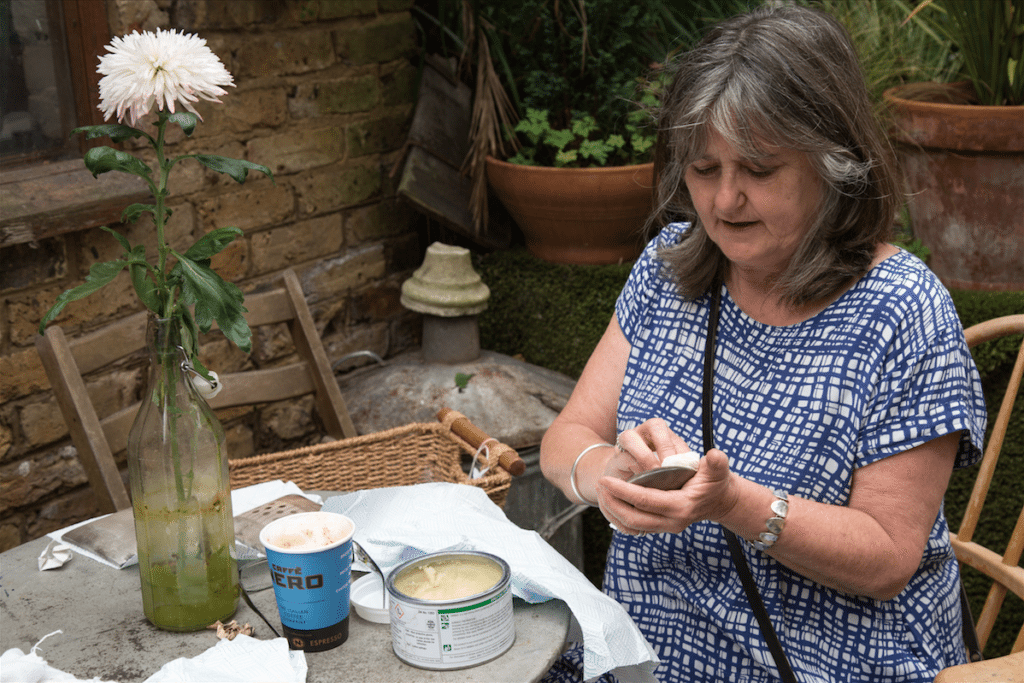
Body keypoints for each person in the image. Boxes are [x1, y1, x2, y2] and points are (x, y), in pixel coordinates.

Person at [539, 4, 987, 682]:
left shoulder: (901, 312)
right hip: (646, 659)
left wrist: (733, 503)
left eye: (758, 168)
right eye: (703, 167)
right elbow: (565, 435)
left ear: (834, 162)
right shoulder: (669, 270)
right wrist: (606, 478)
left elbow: (890, 555)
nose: (724, 200)